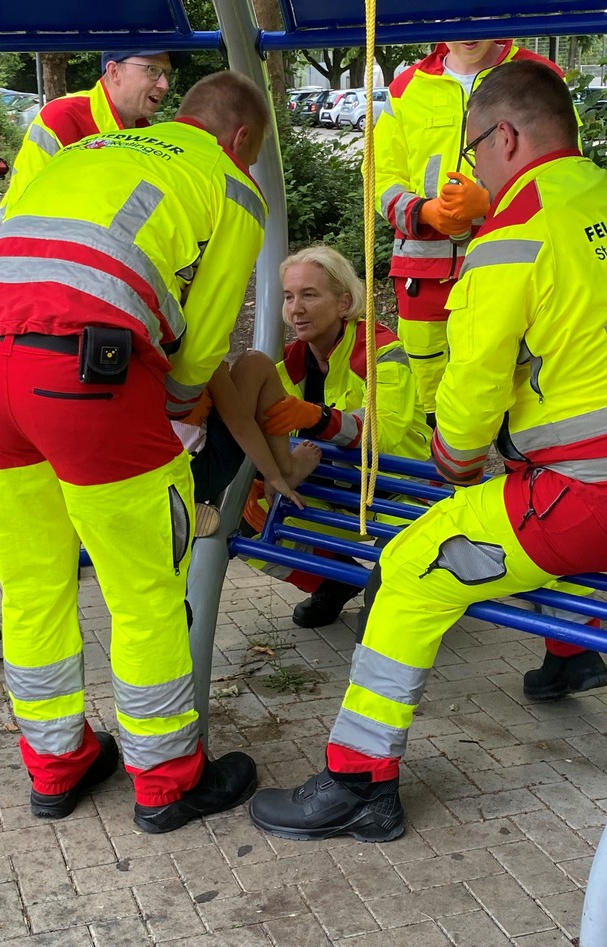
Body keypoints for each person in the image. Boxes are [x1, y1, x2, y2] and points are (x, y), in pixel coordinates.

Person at [249, 60, 607, 843]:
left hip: (581, 493)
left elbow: (465, 424)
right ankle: (566, 652)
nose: (472, 166)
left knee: (411, 568)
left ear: (506, 135)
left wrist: (455, 461)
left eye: (475, 149)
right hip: (587, 485)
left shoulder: (514, 239)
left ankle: (358, 782)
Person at [0, 70, 271, 829]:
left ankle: (57, 766)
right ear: (243, 141)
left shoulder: (79, 153)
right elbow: (201, 350)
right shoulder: (229, 185)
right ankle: (167, 781)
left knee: (31, 583)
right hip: (83, 368)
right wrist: (171, 418)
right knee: (144, 586)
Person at [375, 39, 563, 424]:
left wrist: (492, 204)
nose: (466, 28)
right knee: (429, 402)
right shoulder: (405, 88)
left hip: (513, 265)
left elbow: (563, 172)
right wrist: (423, 211)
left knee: (523, 390)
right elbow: (379, 177)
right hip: (423, 275)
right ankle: (442, 477)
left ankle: (513, 479)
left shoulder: (539, 74)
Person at [246, 246, 432, 628]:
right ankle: (332, 580)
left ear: (344, 302)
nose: (295, 308)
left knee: (384, 627)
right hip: (339, 499)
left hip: (404, 501)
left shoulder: (382, 351)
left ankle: (407, 585)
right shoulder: (291, 362)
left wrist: (316, 418)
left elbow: (385, 430)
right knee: (243, 516)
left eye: (309, 295)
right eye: (288, 296)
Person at [0, 48, 187, 241]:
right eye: (152, 70)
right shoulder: (61, 119)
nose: (164, 85)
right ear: (114, 71)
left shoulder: (145, 133)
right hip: (16, 252)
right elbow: (24, 211)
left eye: (167, 74)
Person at [173, 352, 322, 537]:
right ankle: (286, 468)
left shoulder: (134, 347)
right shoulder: (201, 350)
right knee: (255, 365)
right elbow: (241, 425)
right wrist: (274, 476)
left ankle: (168, 503)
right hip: (196, 473)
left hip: (144, 474)